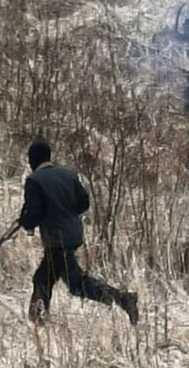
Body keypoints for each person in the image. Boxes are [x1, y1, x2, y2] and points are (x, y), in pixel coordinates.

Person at [17, 140, 139, 326]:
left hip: (57, 239)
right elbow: (83, 203)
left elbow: (34, 212)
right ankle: (38, 320)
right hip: (73, 234)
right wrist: (65, 212)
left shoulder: (34, 181)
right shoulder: (69, 175)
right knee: (42, 278)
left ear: (32, 159)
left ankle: (123, 299)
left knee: (75, 284)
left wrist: (26, 222)